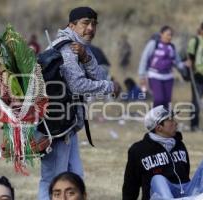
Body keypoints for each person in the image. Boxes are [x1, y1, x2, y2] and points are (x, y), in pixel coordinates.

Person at [38, 7, 117, 200]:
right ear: (71, 25)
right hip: (56, 126)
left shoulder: (80, 47)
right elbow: (78, 85)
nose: (90, 28)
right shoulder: (66, 48)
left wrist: (86, 57)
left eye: (94, 24)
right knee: (53, 181)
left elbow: (99, 76)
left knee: (75, 178)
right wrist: (109, 87)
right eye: (85, 23)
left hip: (68, 125)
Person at [122, 105, 203, 200]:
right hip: (159, 195)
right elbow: (131, 184)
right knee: (157, 179)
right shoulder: (138, 150)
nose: (175, 123)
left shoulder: (179, 144)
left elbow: (185, 174)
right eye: (170, 120)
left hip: (185, 191)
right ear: (159, 127)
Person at [138, 26, 188, 108]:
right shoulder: (154, 44)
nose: (170, 37)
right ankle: (155, 117)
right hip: (155, 76)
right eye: (168, 35)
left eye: (171, 35)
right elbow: (144, 58)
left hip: (168, 77)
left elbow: (177, 62)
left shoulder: (171, 47)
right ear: (161, 34)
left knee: (166, 101)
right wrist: (142, 75)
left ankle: (164, 119)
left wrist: (184, 65)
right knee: (159, 99)